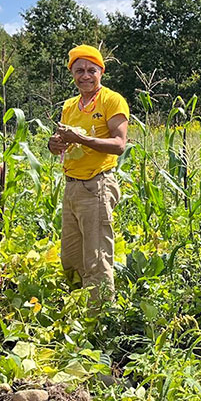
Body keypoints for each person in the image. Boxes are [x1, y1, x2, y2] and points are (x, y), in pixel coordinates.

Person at [46, 44, 128, 302]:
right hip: (72, 186)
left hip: (97, 185)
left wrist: (81, 140)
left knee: (96, 257)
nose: (85, 75)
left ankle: (101, 319)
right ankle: (78, 308)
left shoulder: (112, 101)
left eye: (91, 70)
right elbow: (61, 142)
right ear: (72, 73)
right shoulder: (70, 106)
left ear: (101, 72)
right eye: (79, 70)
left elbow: (119, 145)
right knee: (71, 257)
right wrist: (55, 144)